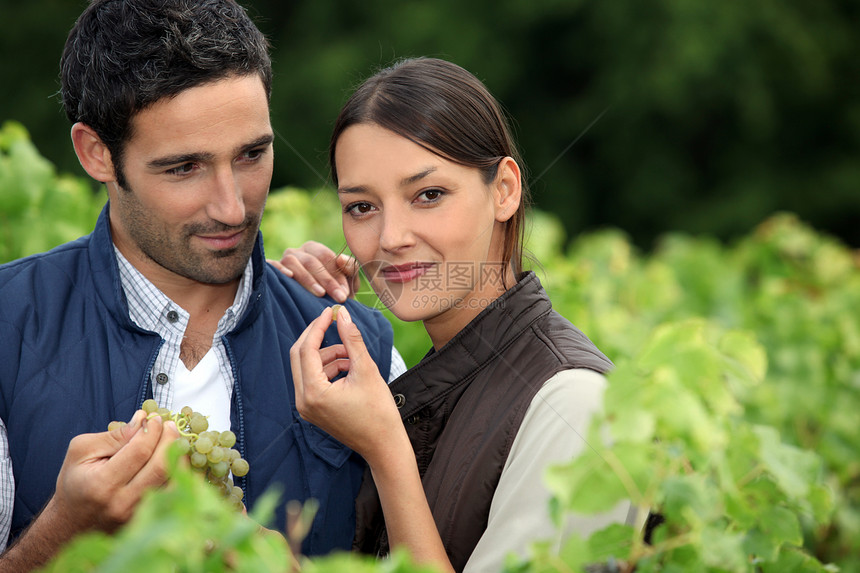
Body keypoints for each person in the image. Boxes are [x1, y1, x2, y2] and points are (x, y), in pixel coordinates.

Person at [0, 1, 402, 570]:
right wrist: (61, 535)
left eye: (252, 155)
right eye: (184, 167)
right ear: (96, 154)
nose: (232, 207)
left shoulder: (363, 349)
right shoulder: (5, 326)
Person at [288, 57, 638, 572]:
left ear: (504, 190)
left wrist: (387, 450)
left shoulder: (575, 402)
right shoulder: (433, 379)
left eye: (428, 195)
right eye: (362, 207)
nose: (390, 238)